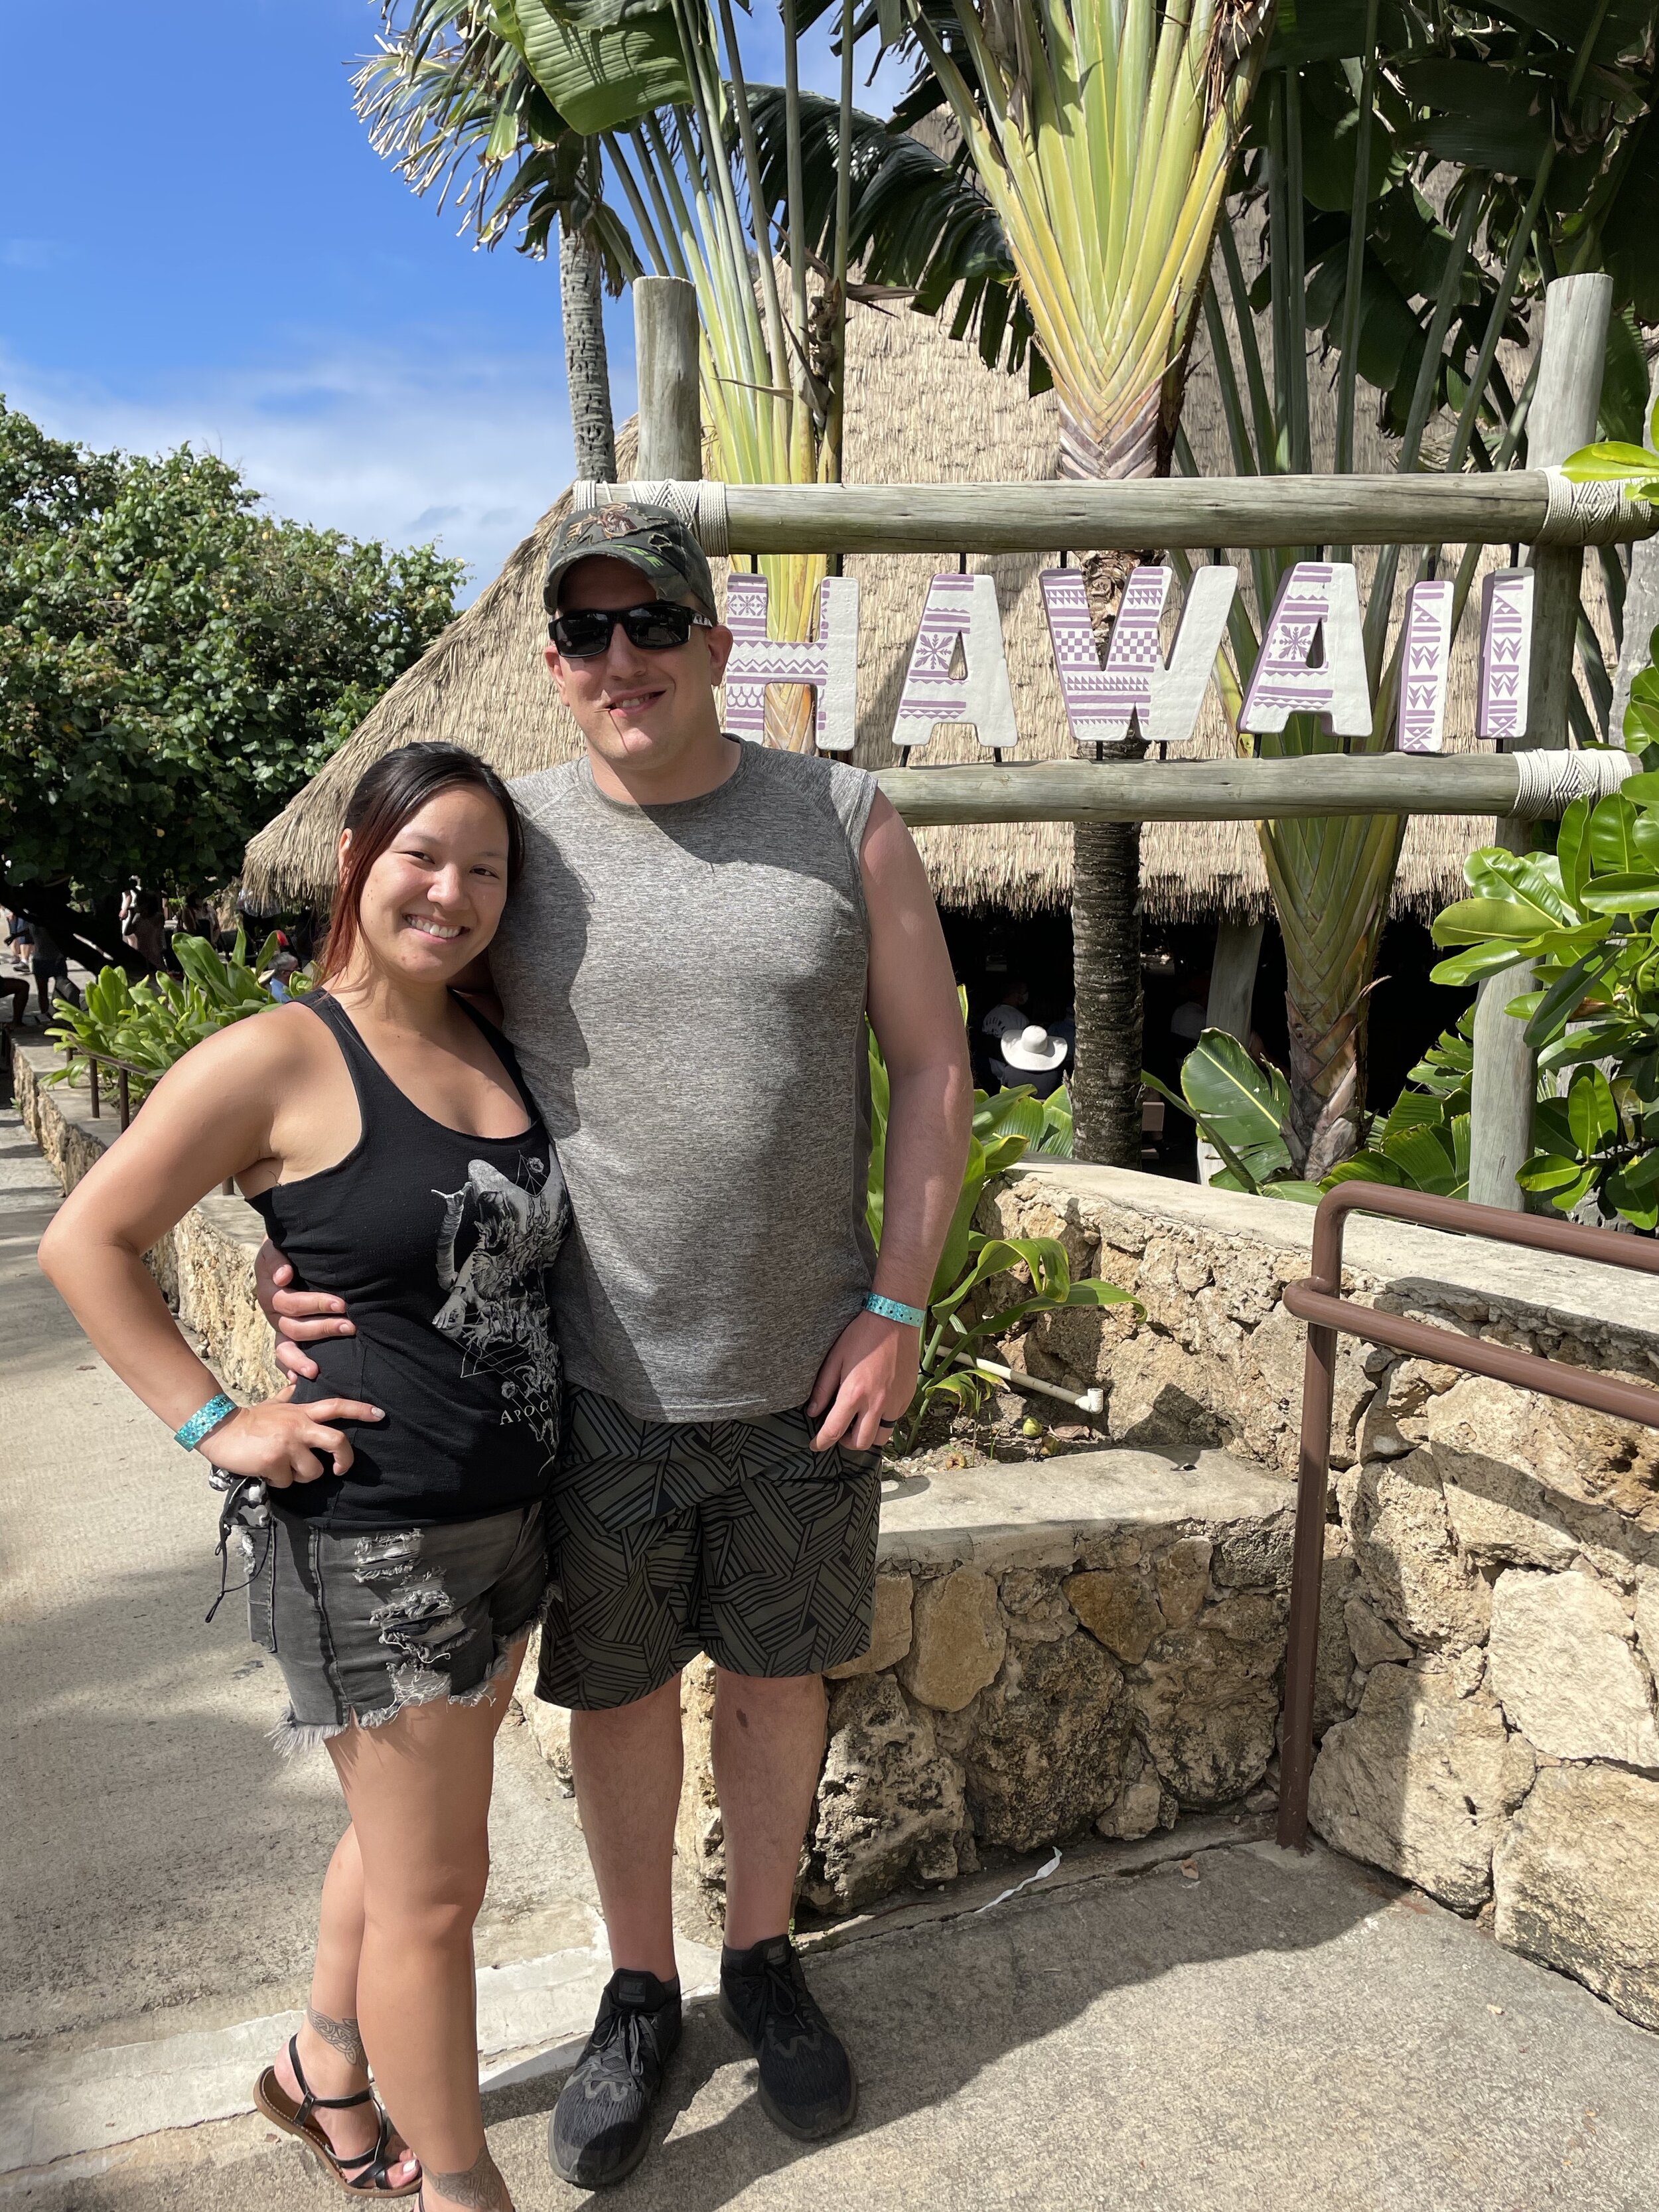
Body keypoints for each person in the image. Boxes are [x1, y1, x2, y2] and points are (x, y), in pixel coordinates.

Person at [264, 498, 974, 2192]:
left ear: (713, 642)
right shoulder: (511, 845)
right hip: (584, 1382)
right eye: (583, 630)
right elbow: (367, 1036)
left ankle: (763, 1957)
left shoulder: (841, 816)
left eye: (650, 622)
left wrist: (897, 1302)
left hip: (809, 1370)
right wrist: (309, 1250)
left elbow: (934, 1065)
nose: (619, 656)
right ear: (553, 662)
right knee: (621, 1693)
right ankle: (639, 1987)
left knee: (779, 1680)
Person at [40, 743, 567, 2212]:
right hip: (374, 1539)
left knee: (405, 1851)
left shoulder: (494, 1035)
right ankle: (457, 2183)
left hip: (509, 1523)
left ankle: (322, 2062)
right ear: (355, 858)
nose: (451, 892)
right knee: (437, 1894)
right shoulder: (277, 1056)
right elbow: (88, 1241)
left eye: (485, 869)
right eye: (423, 856)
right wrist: (218, 1419)